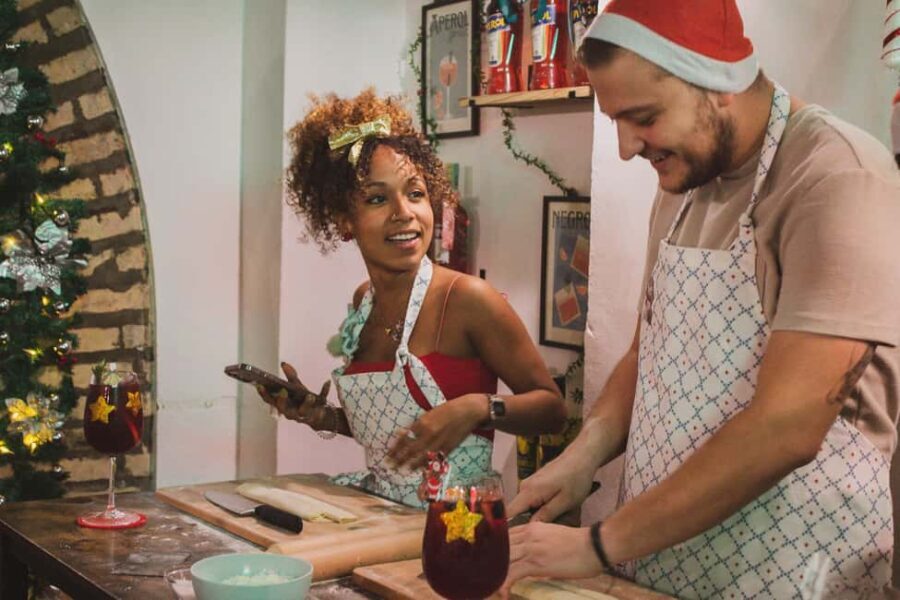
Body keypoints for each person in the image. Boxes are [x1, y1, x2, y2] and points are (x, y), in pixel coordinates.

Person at [503, 1, 900, 598]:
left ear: (718, 82)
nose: (626, 148)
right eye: (615, 119)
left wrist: (599, 545)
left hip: (796, 574)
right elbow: (651, 349)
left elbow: (788, 426)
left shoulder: (835, 177)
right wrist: (584, 457)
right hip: (664, 564)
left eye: (643, 117)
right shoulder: (684, 181)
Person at [260, 89, 565, 507]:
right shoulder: (363, 302)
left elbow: (552, 409)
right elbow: (401, 436)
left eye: (416, 193)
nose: (404, 212)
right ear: (344, 219)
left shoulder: (468, 299)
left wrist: (477, 407)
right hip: (384, 518)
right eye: (377, 198)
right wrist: (322, 416)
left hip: (459, 524)